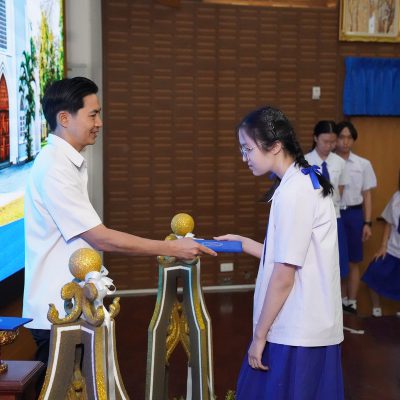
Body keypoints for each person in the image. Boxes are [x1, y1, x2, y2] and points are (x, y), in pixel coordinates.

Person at [22, 77, 216, 365]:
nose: (99, 123)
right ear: (64, 118)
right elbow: (99, 237)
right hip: (59, 310)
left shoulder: (64, 161)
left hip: (73, 306)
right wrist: (171, 248)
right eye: (93, 115)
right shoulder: (54, 166)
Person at [215, 106, 344, 399]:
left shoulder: (294, 191)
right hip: (310, 325)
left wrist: (259, 336)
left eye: (248, 148)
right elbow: (295, 254)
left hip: (297, 330)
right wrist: (243, 243)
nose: (244, 157)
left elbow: (284, 274)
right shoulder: (301, 180)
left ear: (274, 146)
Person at [304, 121, 350, 303]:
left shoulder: (339, 162)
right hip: (311, 219)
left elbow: (340, 189)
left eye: (332, 142)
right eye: (325, 141)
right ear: (315, 138)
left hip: (335, 217)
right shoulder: (305, 161)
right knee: (314, 261)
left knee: (335, 261)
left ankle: (332, 300)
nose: (329, 146)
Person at [335, 121, 377, 314]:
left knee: (353, 260)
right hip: (334, 214)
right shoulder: (329, 162)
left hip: (354, 214)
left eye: (349, 138)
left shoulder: (363, 164)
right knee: (336, 260)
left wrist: (367, 222)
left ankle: (351, 302)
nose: (345, 141)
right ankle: (339, 300)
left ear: (353, 140)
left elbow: (367, 195)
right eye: (341, 137)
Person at [361, 183, 400, 317]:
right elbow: (389, 223)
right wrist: (383, 246)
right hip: (393, 249)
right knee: (373, 272)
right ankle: (376, 310)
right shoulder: (396, 197)